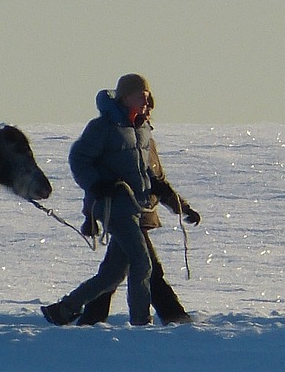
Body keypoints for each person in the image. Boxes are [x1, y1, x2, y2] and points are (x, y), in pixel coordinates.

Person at [42, 74, 198, 327]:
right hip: (114, 209)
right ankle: (140, 322)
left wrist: (181, 206)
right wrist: (97, 184)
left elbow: (152, 175)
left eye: (148, 98)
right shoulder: (102, 128)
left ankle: (63, 309)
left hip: (139, 209)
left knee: (112, 275)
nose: (147, 103)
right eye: (142, 97)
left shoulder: (142, 130)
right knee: (142, 261)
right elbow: (79, 159)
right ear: (125, 97)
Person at [75, 116, 201, 325]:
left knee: (113, 273)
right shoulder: (119, 141)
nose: (147, 109)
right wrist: (90, 216)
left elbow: (158, 183)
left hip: (141, 214)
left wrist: (182, 207)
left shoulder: (145, 141)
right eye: (143, 102)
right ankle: (173, 318)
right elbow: (96, 183)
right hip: (125, 215)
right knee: (147, 269)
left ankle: (82, 316)